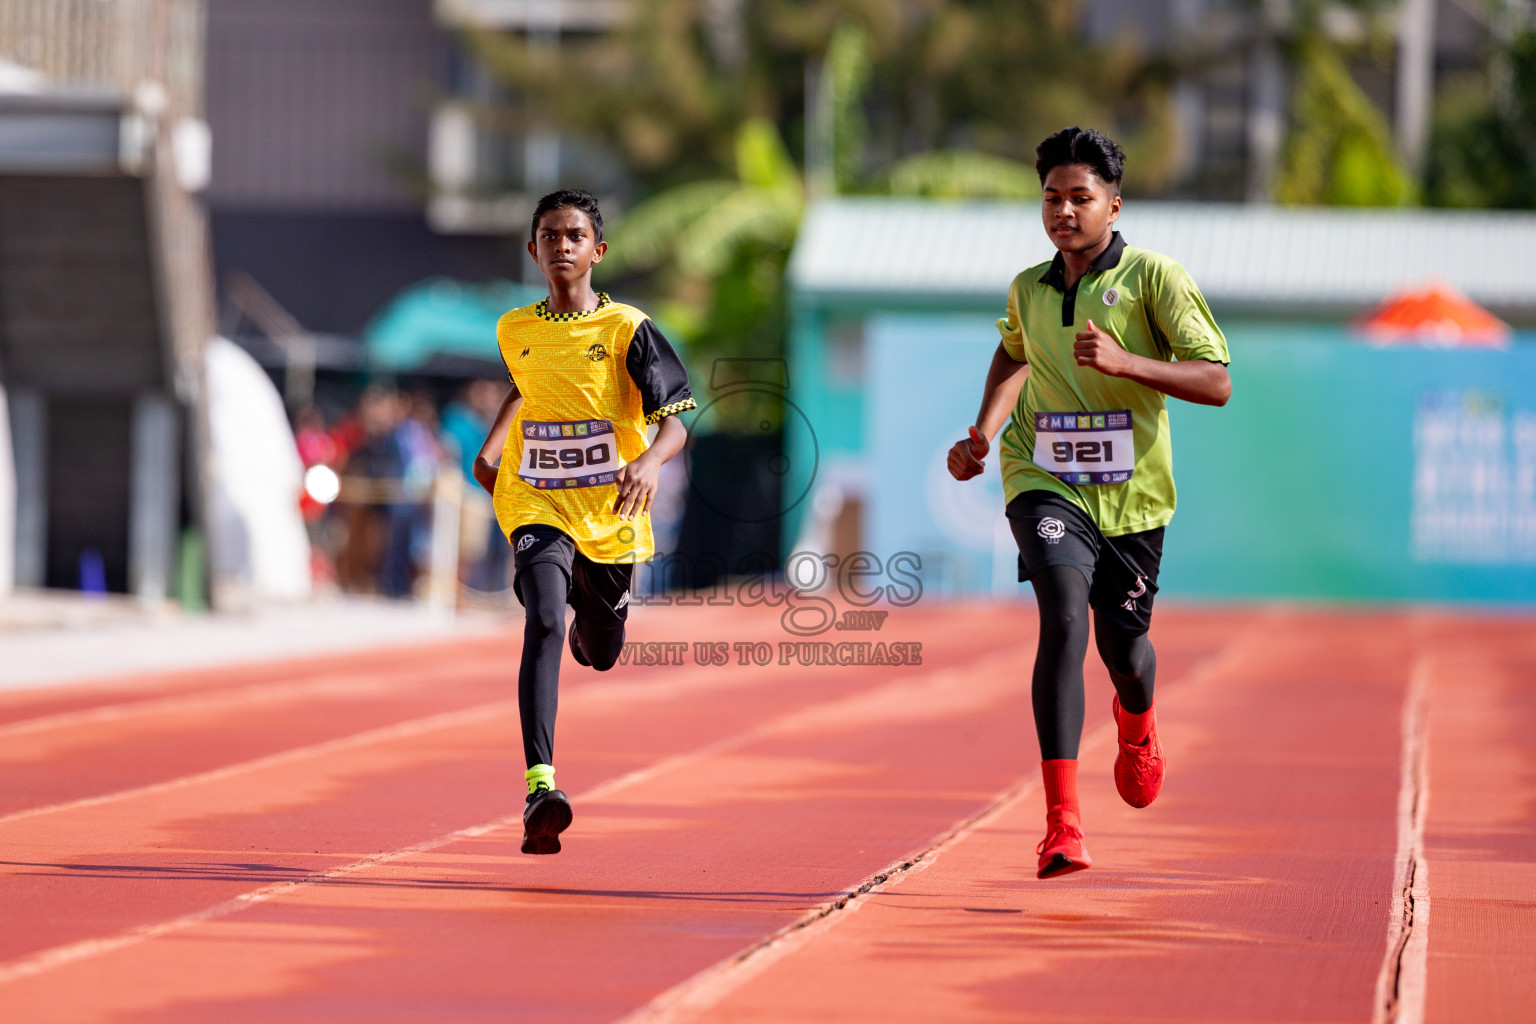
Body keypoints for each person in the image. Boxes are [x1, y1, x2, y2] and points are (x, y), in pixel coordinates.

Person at [947, 127, 1231, 879]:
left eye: (1080, 198)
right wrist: (983, 431)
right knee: (1063, 617)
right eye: (1051, 197)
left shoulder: (1154, 279)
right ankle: (1061, 825)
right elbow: (1014, 350)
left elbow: (1216, 380)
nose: (1063, 211)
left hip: (1133, 499)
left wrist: (1127, 361)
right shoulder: (1027, 289)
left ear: (1113, 204)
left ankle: (1137, 719)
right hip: (1044, 477)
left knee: (1126, 655)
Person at [472, 188, 695, 855]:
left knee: (600, 652)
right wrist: (489, 451)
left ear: (597, 251)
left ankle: (585, 621)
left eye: (574, 236)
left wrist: (652, 462)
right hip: (535, 500)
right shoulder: (516, 329)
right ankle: (541, 786)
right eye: (549, 235)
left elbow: (676, 420)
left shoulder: (629, 328)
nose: (561, 246)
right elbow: (525, 387)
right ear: (533, 248)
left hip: (610, 514)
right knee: (543, 614)